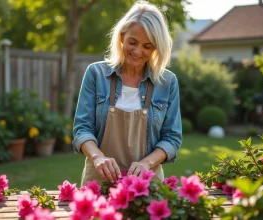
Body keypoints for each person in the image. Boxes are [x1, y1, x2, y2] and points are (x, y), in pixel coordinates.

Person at [73, 0, 182, 186]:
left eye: (148, 46)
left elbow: (172, 138)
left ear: (156, 47)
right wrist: (98, 157)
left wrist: (146, 163)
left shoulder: (167, 82)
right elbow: (82, 129)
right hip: (99, 181)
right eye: (133, 42)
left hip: (146, 184)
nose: (138, 51)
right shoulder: (95, 74)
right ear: (122, 37)